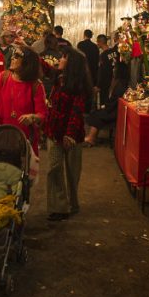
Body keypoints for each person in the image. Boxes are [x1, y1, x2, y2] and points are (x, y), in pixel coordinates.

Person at [45, 46, 92, 221]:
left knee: (73, 172)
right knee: (54, 169)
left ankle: (73, 203)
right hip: (54, 132)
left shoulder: (77, 85)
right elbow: (44, 67)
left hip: (72, 135)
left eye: (64, 57)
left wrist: (70, 134)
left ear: (71, 63)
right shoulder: (58, 78)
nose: (60, 59)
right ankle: (58, 207)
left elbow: (76, 112)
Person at [0, 45, 48, 157]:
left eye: (17, 56)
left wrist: (32, 117)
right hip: (1, 135)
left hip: (24, 139)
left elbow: (42, 114)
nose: (12, 58)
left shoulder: (35, 85)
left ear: (27, 62)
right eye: (13, 55)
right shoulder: (3, 77)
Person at [95, 34, 110, 107]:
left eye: (97, 42)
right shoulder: (112, 52)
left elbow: (101, 71)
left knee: (103, 103)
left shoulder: (103, 55)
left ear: (100, 42)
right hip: (111, 82)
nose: (97, 44)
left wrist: (98, 85)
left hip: (104, 83)